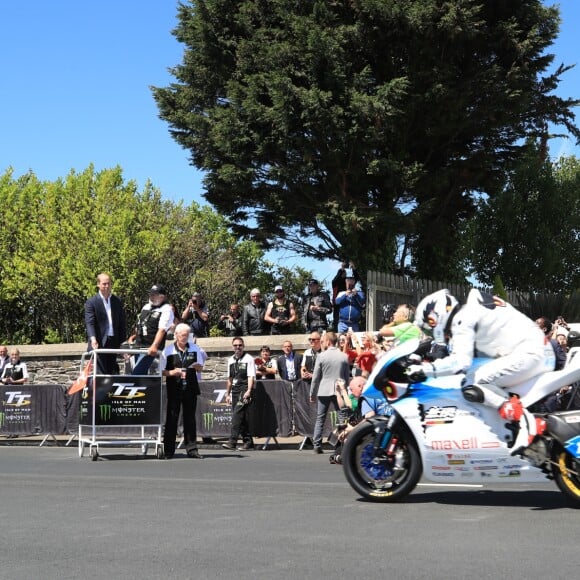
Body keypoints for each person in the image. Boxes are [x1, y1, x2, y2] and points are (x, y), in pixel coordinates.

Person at [408, 289, 553, 441]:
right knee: (474, 376)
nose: (432, 332)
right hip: (537, 350)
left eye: (430, 325)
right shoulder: (473, 308)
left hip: (531, 353)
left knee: (472, 382)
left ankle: (526, 425)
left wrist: (424, 370)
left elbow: (459, 363)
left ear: (437, 315)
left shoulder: (462, 319)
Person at [160, 323, 205, 459]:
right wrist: (173, 372)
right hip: (175, 388)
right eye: (183, 335)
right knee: (172, 418)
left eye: (187, 335)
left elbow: (201, 367)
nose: (185, 338)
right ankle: (168, 450)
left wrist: (198, 367)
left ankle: (192, 449)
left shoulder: (195, 348)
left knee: (190, 419)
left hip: (190, 387)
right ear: (176, 335)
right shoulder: (168, 351)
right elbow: (161, 371)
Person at [309, 332, 351, 454]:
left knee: (320, 418)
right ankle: (341, 444)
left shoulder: (321, 356)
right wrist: (345, 390)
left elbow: (316, 377)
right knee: (342, 417)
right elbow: (346, 376)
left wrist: (312, 393)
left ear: (328, 342)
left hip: (324, 389)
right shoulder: (343, 356)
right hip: (339, 388)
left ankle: (317, 444)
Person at [84, 272, 127, 375]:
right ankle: (101, 391)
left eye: (109, 283)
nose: (107, 286)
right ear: (98, 284)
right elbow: (90, 322)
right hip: (100, 341)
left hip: (113, 341)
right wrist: (93, 339)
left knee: (112, 371)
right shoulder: (91, 302)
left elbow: (121, 322)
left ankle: (111, 391)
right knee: (101, 373)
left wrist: (123, 343)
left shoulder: (117, 301)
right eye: (104, 284)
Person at [128, 284, 175, 375]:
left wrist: (154, 346)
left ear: (162, 297)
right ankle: (141, 389)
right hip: (139, 345)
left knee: (137, 373)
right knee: (140, 374)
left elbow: (162, 329)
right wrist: (132, 338)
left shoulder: (166, 309)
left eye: (154, 295)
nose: (151, 297)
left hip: (150, 348)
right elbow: (140, 324)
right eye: (150, 294)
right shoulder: (146, 307)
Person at [222, 337, 257, 451]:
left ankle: (232, 441)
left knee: (236, 415)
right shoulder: (231, 360)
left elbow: (251, 376)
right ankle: (248, 441)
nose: (238, 347)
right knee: (241, 417)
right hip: (235, 390)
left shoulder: (248, 359)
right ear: (233, 347)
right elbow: (230, 379)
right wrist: (227, 394)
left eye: (240, 345)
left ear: (243, 346)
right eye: (235, 345)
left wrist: (249, 391)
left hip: (245, 389)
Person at [331, 261, 360, 329]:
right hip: (338, 306)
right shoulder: (336, 284)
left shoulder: (349, 283)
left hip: (347, 305)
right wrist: (341, 269)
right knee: (337, 323)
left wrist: (353, 269)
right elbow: (334, 280)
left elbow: (356, 278)